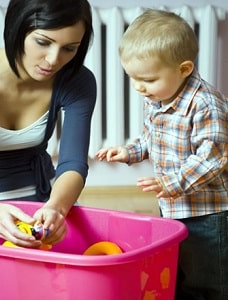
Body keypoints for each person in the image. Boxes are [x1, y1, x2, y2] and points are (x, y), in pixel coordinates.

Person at [0, 0, 96, 249]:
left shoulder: (78, 80)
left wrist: (57, 207)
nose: (54, 60)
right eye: (43, 42)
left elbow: (73, 164)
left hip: (42, 202)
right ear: (16, 28)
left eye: (69, 48)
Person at [96, 9, 228, 300]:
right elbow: (152, 139)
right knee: (178, 266)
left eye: (148, 79)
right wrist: (129, 151)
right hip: (172, 206)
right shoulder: (157, 97)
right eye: (132, 78)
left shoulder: (205, 104)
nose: (139, 87)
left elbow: (213, 158)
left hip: (206, 212)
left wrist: (172, 183)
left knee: (208, 275)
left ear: (184, 69)